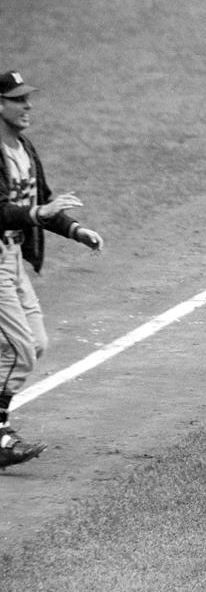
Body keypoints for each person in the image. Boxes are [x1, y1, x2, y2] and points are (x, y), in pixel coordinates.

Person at [0, 70, 104, 469]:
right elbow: (23, 210)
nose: (28, 106)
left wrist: (76, 231)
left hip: (12, 262)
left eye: (28, 98)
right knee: (20, 352)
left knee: (35, 343)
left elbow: (44, 206)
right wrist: (35, 213)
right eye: (17, 99)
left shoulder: (24, 148)